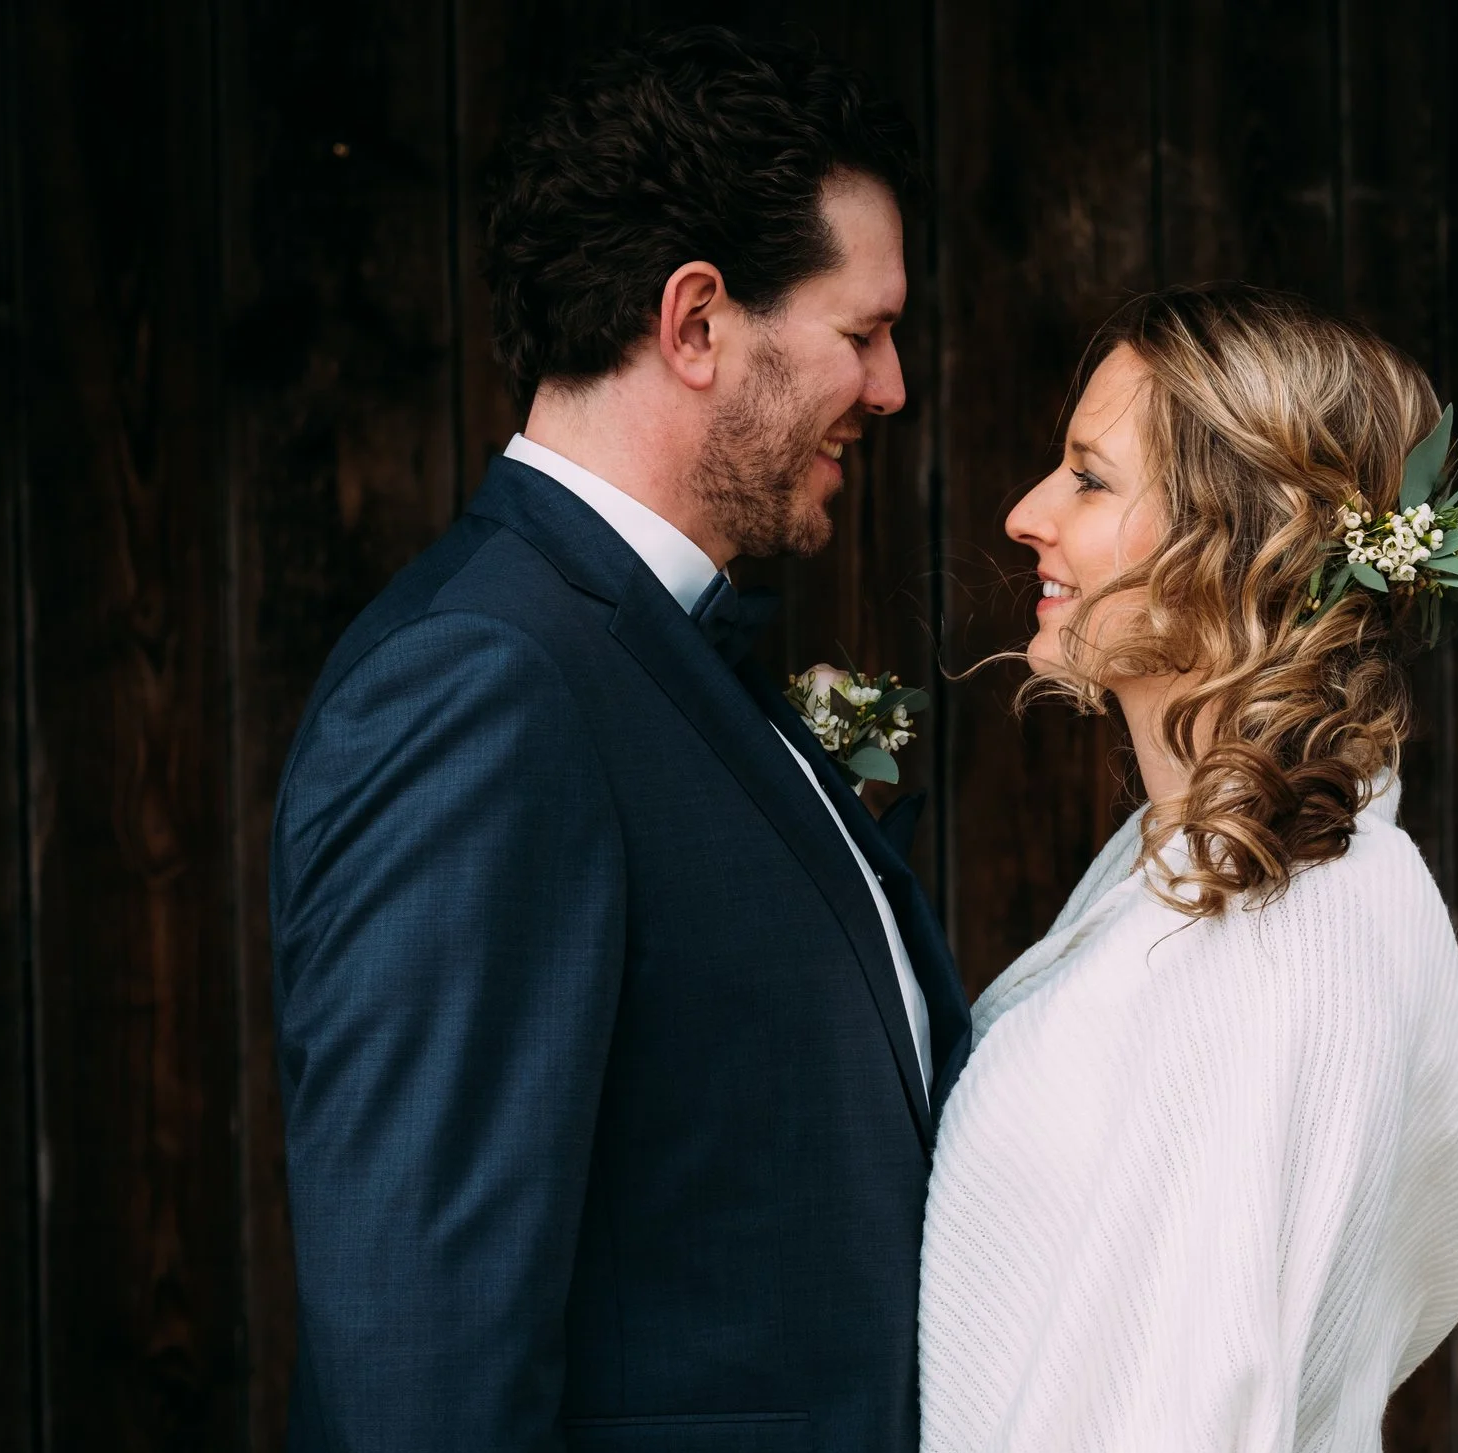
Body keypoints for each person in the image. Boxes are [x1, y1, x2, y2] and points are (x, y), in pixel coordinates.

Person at [267, 29, 969, 1451]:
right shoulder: (482, 688)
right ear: (696, 322)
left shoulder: (660, 654)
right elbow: (421, 1365)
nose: (892, 388)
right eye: (861, 334)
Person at [920, 284, 1458, 1450]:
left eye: (1090, 480)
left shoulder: (1284, 930)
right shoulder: (1207, 873)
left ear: (1237, 538)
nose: (1027, 514)